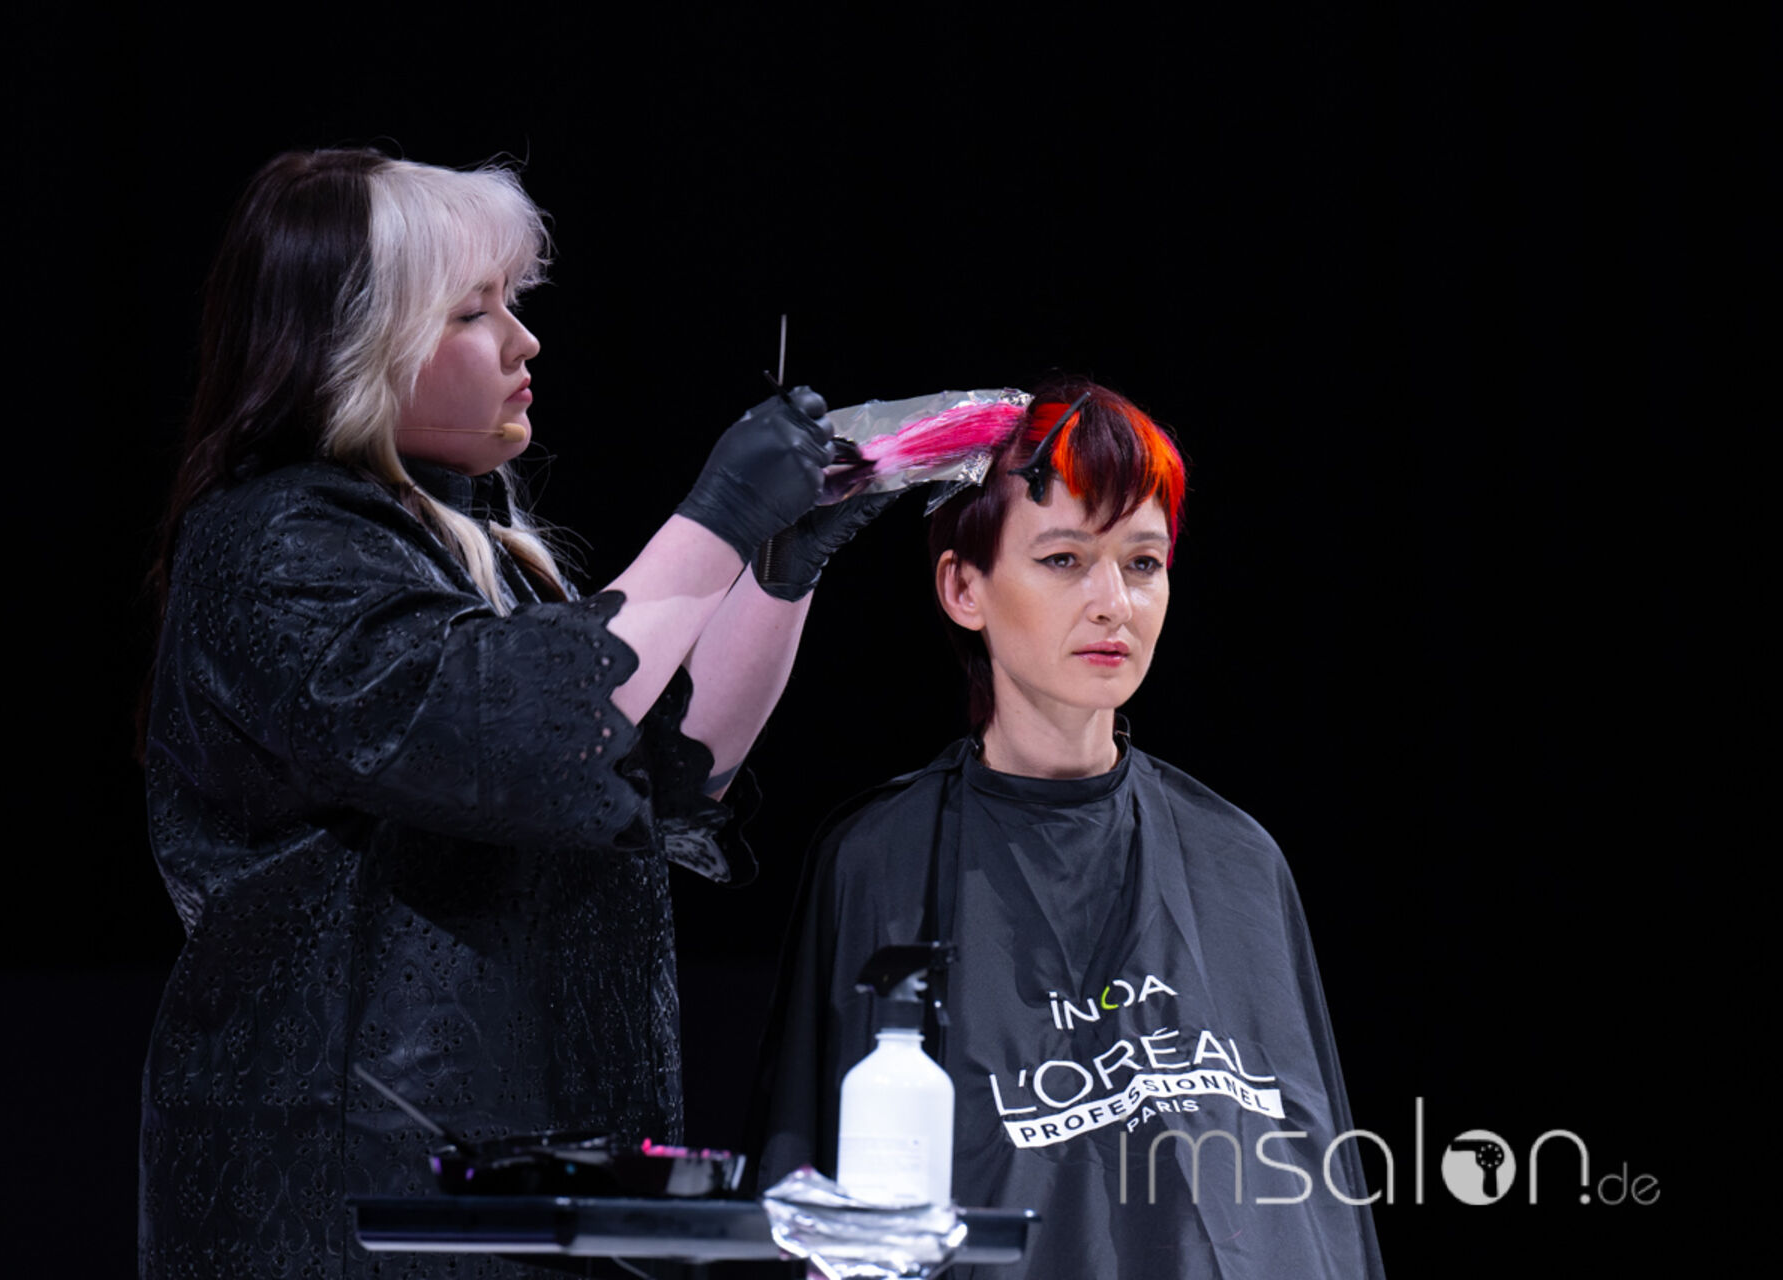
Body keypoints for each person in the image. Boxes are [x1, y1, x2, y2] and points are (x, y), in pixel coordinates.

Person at [139, 148, 879, 1278]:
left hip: (531, 1165)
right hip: (354, 1204)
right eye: (472, 311)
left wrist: (775, 571)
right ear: (355, 347)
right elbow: (516, 728)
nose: (524, 341)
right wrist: (719, 515)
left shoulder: (461, 551)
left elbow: (666, 767)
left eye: (511, 303)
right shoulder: (276, 543)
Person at [753, 380, 1386, 1278]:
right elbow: (812, 1224)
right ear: (963, 588)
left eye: (1143, 563)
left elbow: (1320, 1212)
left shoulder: (1241, 861)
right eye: (1063, 559)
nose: (1113, 603)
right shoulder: (878, 861)